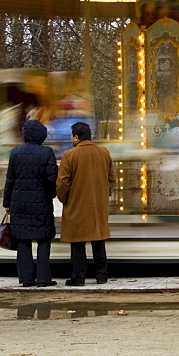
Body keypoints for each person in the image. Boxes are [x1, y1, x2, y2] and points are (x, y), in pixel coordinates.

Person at [57, 121, 115, 286]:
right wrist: (104, 195)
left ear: (76, 137)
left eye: (71, 136)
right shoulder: (104, 152)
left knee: (77, 241)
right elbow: (112, 179)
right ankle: (102, 276)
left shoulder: (70, 155)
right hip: (98, 204)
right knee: (98, 239)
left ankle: (78, 277)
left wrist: (64, 199)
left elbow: (62, 183)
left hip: (77, 203)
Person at [3, 119, 58, 288]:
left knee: (23, 240)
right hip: (41, 201)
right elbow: (51, 178)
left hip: (19, 202)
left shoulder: (15, 153)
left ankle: (26, 278)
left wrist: (7, 202)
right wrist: (51, 194)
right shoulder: (47, 153)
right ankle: (43, 278)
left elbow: (9, 180)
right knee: (43, 239)